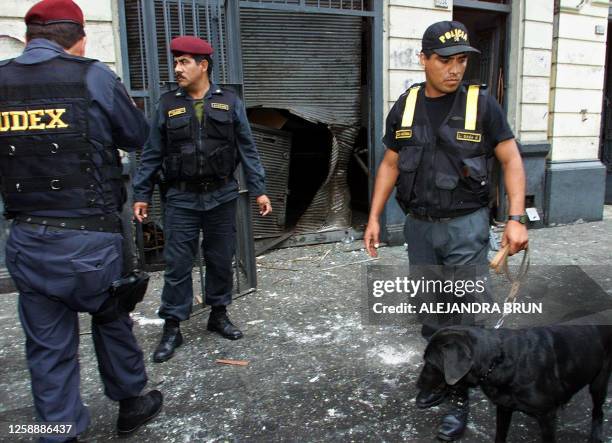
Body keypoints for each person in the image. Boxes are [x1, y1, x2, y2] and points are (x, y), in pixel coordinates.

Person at [0, 0, 163, 440]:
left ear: (29, 36)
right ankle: (131, 403)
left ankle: (57, 431)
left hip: (29, 237)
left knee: (47, 345)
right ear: (78, 36)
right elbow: (137, 134)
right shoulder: (91, 74)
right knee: (112, 317)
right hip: (90, 238)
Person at [364, 21, 528, 441]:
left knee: (467, 313)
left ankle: (461, 393)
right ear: (423, 60)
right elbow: (389, 163)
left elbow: (510, 160)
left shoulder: (482, 105)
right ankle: (438, 370)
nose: (454, 70)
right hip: (419, 228)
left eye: (461, 61)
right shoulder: (405, 105)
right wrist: (374, 217)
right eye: (444, 60)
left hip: (465, 227)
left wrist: (516, 217)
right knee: (429, 309)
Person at [133, 36, 272, 363]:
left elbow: (247, 149)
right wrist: (141, 193)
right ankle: (172, 325)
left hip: (221, 195)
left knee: (221, 258)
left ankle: (218, 313)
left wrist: (259, 189)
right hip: (181, 197)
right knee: (178, 263)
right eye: (176, 62)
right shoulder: (167, 104)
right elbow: (152, 153)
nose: (177, 68)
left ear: (203, 65)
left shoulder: (230, 101)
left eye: (184, 62)